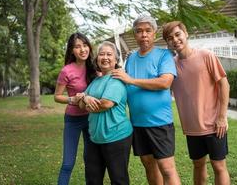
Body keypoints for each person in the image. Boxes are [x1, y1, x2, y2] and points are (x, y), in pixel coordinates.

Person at [112, 15, 181, 185]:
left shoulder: (164, 55)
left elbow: (165, 82)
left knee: (167, 168)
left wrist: (131, 80)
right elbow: (123, 86)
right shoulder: (131, 58)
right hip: (137, 124)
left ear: (154, 34)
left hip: (159, 123)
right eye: (139, 31)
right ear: (135, 34)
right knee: (149, 165)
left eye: (148, 31)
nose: (144, 35)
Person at [162, 21, 230, 185]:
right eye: (170, 38)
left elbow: (224, 84)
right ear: (167, 43)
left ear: (186, 34)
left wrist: (222, 117)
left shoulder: (206, 55)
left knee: (218, 165)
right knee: (198, 165)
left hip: (214, 124)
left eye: (178, 34)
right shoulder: (171, 65)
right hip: (192, 128)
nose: (175, 40)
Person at [79, 41, 133, 185]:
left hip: (116, 137)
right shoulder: (95, 81)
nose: (105, 57)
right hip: (95, 138)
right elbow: (80, 103)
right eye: (101, 54)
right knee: (93, 179)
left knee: (118, 180)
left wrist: (85, 100)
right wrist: (85, 97)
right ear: (97, 59)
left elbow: (105, 104)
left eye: (109, 54)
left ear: (116, 60)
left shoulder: (117, 80)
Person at [54, 32, 97, 185]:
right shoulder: (67, 70)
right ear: (72, 50)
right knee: (68, 163)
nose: (82, 49)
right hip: (73, 120)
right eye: (77, 47)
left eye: (85, 45)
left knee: (91, 161)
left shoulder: (95, 67)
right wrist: (72, 99)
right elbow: (57, 96)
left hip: (92, 118)